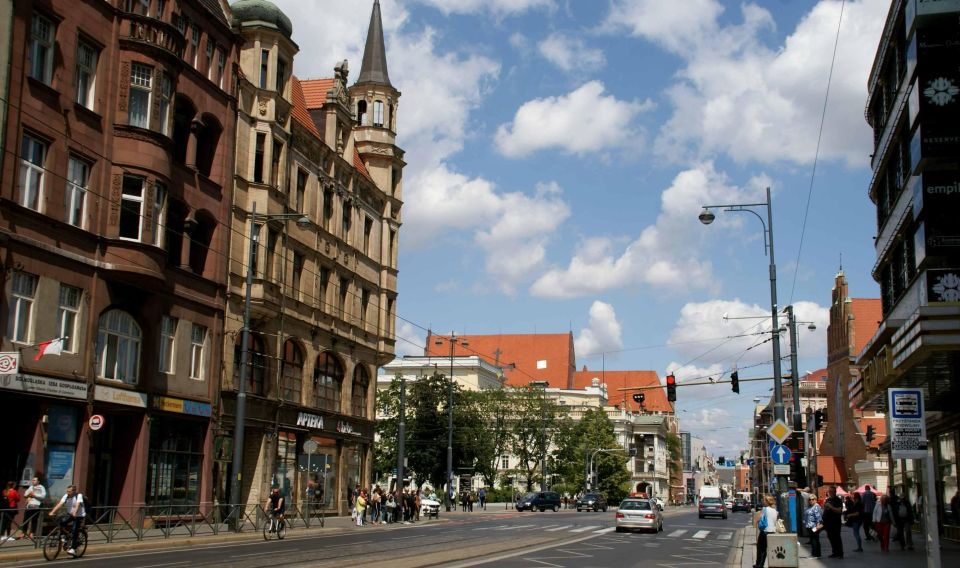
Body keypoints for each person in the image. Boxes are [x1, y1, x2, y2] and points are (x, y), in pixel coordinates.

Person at [48, 485, 85, 556]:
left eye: (69, 491)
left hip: (79, 515)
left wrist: (75, 512)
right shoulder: (66, 496)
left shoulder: (79, 495)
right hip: (70, 514)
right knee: (61, 523)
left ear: (74, 491)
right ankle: (64, 537)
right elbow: (59, 504)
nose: (68, 493)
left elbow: (77, 504)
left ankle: (73, 549)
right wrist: (52, 512)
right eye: (67, 491)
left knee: (74, 530)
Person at [754, 494, 778, 568]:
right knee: (767, 549)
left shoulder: (765, 509)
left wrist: (757, 521)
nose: (763, 501)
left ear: (767, 501)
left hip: (765, 531)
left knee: (761, 549)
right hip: (772, 531)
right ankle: (761, 564)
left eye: (764, 500)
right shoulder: (775, 511)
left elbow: (759, 518)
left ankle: (759, 565)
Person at [22, 476, 47, 540]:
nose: (33, 481)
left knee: (34, 520)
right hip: (29, 506)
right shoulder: (31, 487)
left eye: (34, 480)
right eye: (32, 480)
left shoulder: (42, 487)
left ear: (38, 481)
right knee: (25, 519)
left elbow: (43, 496)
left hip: (36, 506)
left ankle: (32, 534)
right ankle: (23, 533)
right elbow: (25, 495)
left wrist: (34, 495)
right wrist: (29, 495)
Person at [823, 486, 844, 559]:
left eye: (831, 491)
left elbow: (839, 511)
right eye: (829, 492)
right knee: (831, 538)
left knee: (837, 538)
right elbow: (825, 510)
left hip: (835, 522)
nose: (830, 493)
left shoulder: (838, 500)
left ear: (835, 492)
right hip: (828, 523)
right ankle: (834, 552)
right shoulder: (828, 500)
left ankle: (840, 554)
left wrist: (831, 507)